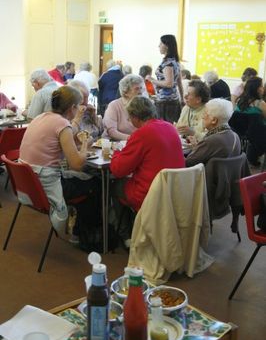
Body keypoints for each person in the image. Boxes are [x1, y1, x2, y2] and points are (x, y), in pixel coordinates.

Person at [19, 85, 97, 240]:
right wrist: (85, 144)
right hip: (45, 184)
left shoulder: (41, 117)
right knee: (95, 184)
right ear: (73, 107)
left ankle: (78, 227)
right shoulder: (62, 124)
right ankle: (82, 234)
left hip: (29, 183)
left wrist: (78, 141)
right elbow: (76, 164)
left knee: (82, 179)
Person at [110, 95, 185, 245]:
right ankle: (133, 227)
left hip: (150, 193)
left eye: (130, 118)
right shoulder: (169, 127)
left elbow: (118, 169)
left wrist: (116, 153)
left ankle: (126, 235)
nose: (130, 121)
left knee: (115, 185)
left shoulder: (142, 134)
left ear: (135, 117)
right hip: (174, 190)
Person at [186, 98, 241, 167]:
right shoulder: (235, 136)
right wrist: (196, 147)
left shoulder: (211, 140)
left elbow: (188, 162)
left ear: (214, 120)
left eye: (205, 113)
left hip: (209, 177)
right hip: (230, 177)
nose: (203, 117)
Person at [148, 34, 183, 123]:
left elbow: (169, 83)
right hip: (173, 100)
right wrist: (182, 98)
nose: (159, 46)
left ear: (166, 46)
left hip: (165, 102)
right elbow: (179, 82)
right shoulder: (175, 61)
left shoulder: (168, 63)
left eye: (161, 43)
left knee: (163, 127)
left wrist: (152, 80)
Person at [235, 76, 266, 165]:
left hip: (241, 134)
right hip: (259, 136)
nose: (263, 88)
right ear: (257, 89)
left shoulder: (240, 101)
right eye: (261, 86)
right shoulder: (260, 103)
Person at [102, 74, 144, 141]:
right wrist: (134, 139)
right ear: (126, 92)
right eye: (137, 89)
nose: (140, 92)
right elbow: (112, 132)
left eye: (141, 88)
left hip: (136, 142)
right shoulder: (114, 106)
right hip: (114, 143)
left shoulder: (143, 106)